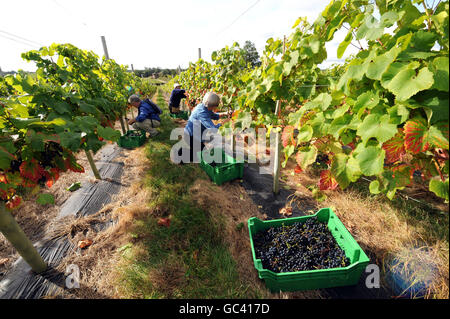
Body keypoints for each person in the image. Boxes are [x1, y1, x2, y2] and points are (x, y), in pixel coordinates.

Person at [180, 92, 229, 163]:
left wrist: (225, 113)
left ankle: (184, 151)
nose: (216, 107)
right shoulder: (202, 113)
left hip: (194, 135)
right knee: (201, 156)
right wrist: (224, 123)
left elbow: (214, 115)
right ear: (212, 105)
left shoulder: (203, 107)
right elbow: (213, 129)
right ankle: (181, 156)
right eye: (216, 105)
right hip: (191, 136)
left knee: (203, 151)